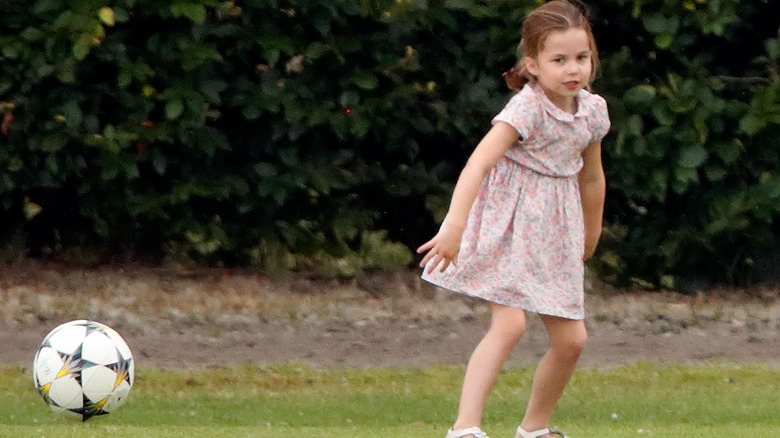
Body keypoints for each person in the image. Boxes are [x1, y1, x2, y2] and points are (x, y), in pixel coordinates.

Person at [417, 1, 610, 438]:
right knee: (510, 325)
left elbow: (593, 177)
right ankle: (465, 429)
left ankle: (534, 429)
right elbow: (478, 165)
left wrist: (590, 232)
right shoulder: (526, 109)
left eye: (581, 58)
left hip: (557, 231)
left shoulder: (593, 111)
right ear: (533, 65)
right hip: (509, 224)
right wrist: (454, 226)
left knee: (572, 341)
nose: (572, 69)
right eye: (558, 60)